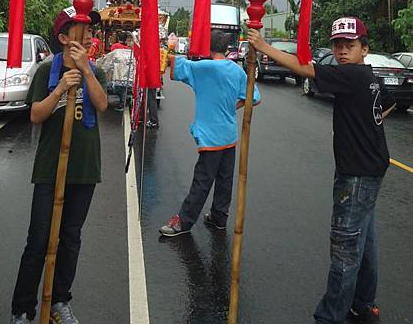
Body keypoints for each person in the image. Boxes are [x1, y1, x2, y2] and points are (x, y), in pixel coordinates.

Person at [248, 16, 396, 324]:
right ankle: (363, 303)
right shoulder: (368, 76)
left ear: (364, 49)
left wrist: (263, 46)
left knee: (345, 247)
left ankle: (330, 318)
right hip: (372, 169)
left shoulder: (351, 75)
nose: (342, 52)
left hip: (356, 175)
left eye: (350, 46)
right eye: (338, 46)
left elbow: (304, 68)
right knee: (364, 239)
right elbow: (386, 104)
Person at [10, 6, 108, 324]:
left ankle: (60, 302)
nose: (90, 37)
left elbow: (103, 104)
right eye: (82, 31)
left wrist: (86, 71)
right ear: (64, 37)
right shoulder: (46, 71)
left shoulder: (97, 70)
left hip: (83, 168)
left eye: (91, 32)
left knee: (71, 238)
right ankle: (23, 309)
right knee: (38, 240)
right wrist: (62, 88)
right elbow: (36, 115)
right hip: (50, 167)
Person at [159, 30, 261, 236]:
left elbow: (175, 64)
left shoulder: (203, 67)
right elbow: (254, 97)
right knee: (224, 180)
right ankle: (219, 217)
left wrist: (167, 49)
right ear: (226, 48)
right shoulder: (237, 70)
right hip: (229, 134)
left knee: (202, 180)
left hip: (211, 136)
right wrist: (233, 107)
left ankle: (184, 222)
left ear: (209, 47)